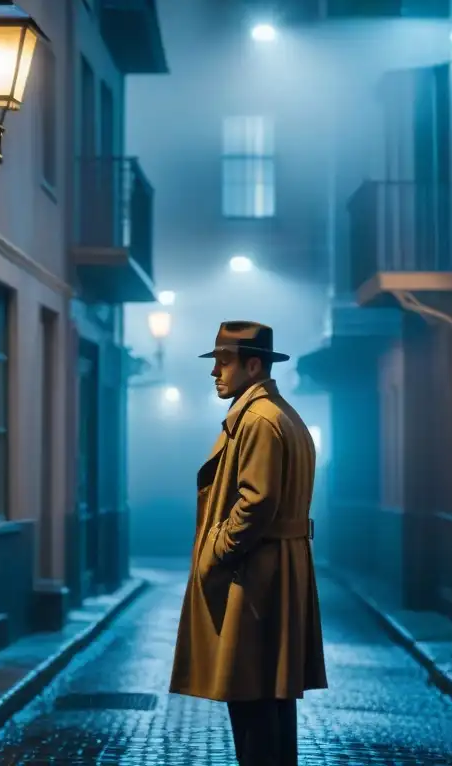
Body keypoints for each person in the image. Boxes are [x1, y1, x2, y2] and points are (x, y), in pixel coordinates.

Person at [169, 320, 327, 766]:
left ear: (253, 365)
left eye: (224, 362)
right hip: (275, 571)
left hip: (256, 577)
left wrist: (217, 550)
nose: (215, 372)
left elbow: (256, 501)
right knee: (271, 702)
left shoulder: (258, 419)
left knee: (252, 700)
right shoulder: (282, 415)